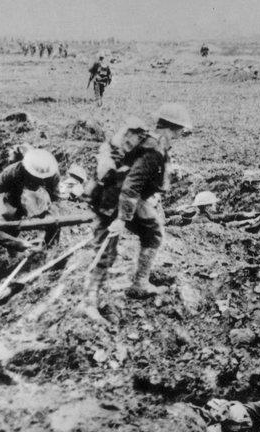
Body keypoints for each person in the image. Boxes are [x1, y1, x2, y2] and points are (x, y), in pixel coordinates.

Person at [82, 104, 192, 325]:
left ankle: (140, 283)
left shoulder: (155, 145)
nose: (181, 134)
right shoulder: (153, 151)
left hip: (123, 197)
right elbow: (131, 186)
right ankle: (88, 303)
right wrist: (122, 219)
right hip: (112, 200)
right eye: (180, 130)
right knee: (106, 251)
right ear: (173, 128)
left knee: (153, 231)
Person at [0, 148, 61, 245]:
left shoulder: (52, 175)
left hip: (42, 200)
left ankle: (50, 247)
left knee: (54, 220)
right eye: (34, 177)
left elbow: (55, 198)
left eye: (40, 178)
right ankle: (10, 248)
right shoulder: (13, 172)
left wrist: (51, 216)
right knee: (9, 221)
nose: (36, 180)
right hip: (15, 198)